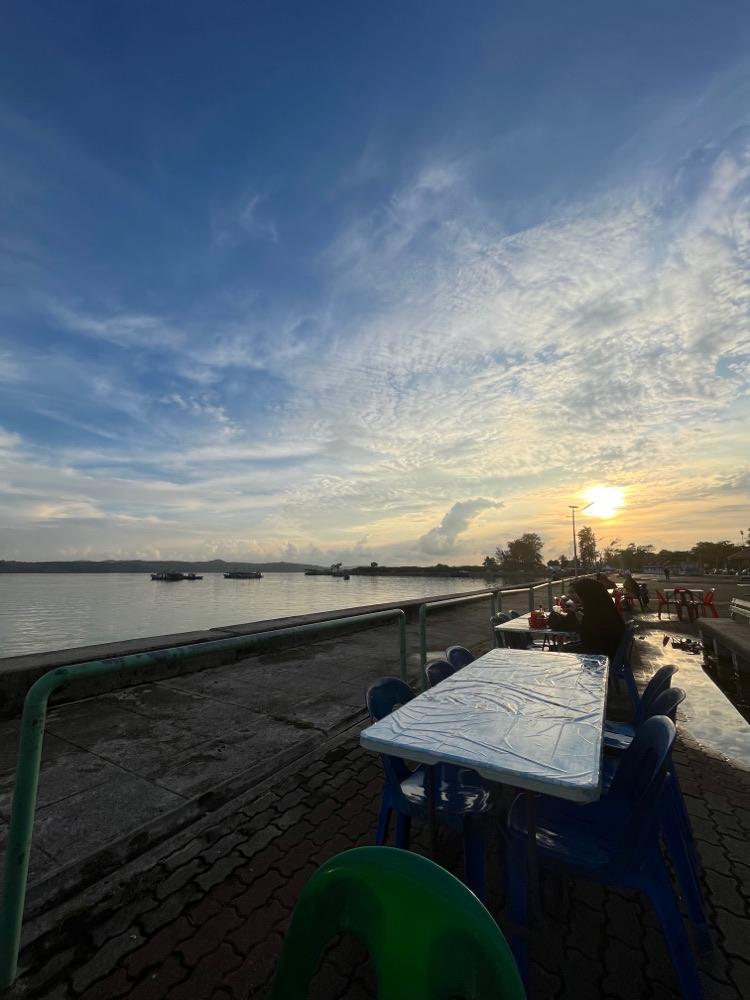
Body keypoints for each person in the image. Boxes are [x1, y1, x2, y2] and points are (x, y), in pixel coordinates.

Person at [569, 578, 626, 659]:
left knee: (562, 651)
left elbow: (587, 636)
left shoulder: (595, 612)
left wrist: (574, 612)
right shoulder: (604, 607)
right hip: (611, 650)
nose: (573, 596)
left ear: (587, 594)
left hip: (601, 654)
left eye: (576, 593)